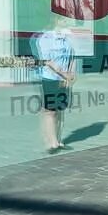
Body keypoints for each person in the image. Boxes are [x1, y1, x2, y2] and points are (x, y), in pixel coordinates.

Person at [32, 15, 77, 154]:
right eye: (64, 19)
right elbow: (48, 61)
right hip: (50, 78)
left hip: (63, 78)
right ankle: (52, 143)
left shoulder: (67, 38)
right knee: (50, 111)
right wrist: (65, 74)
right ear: (56, 21)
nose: (67, 22)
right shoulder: (46, 39)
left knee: (60, 110)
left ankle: (58, 140)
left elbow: (73, 57)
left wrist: (71, 75)